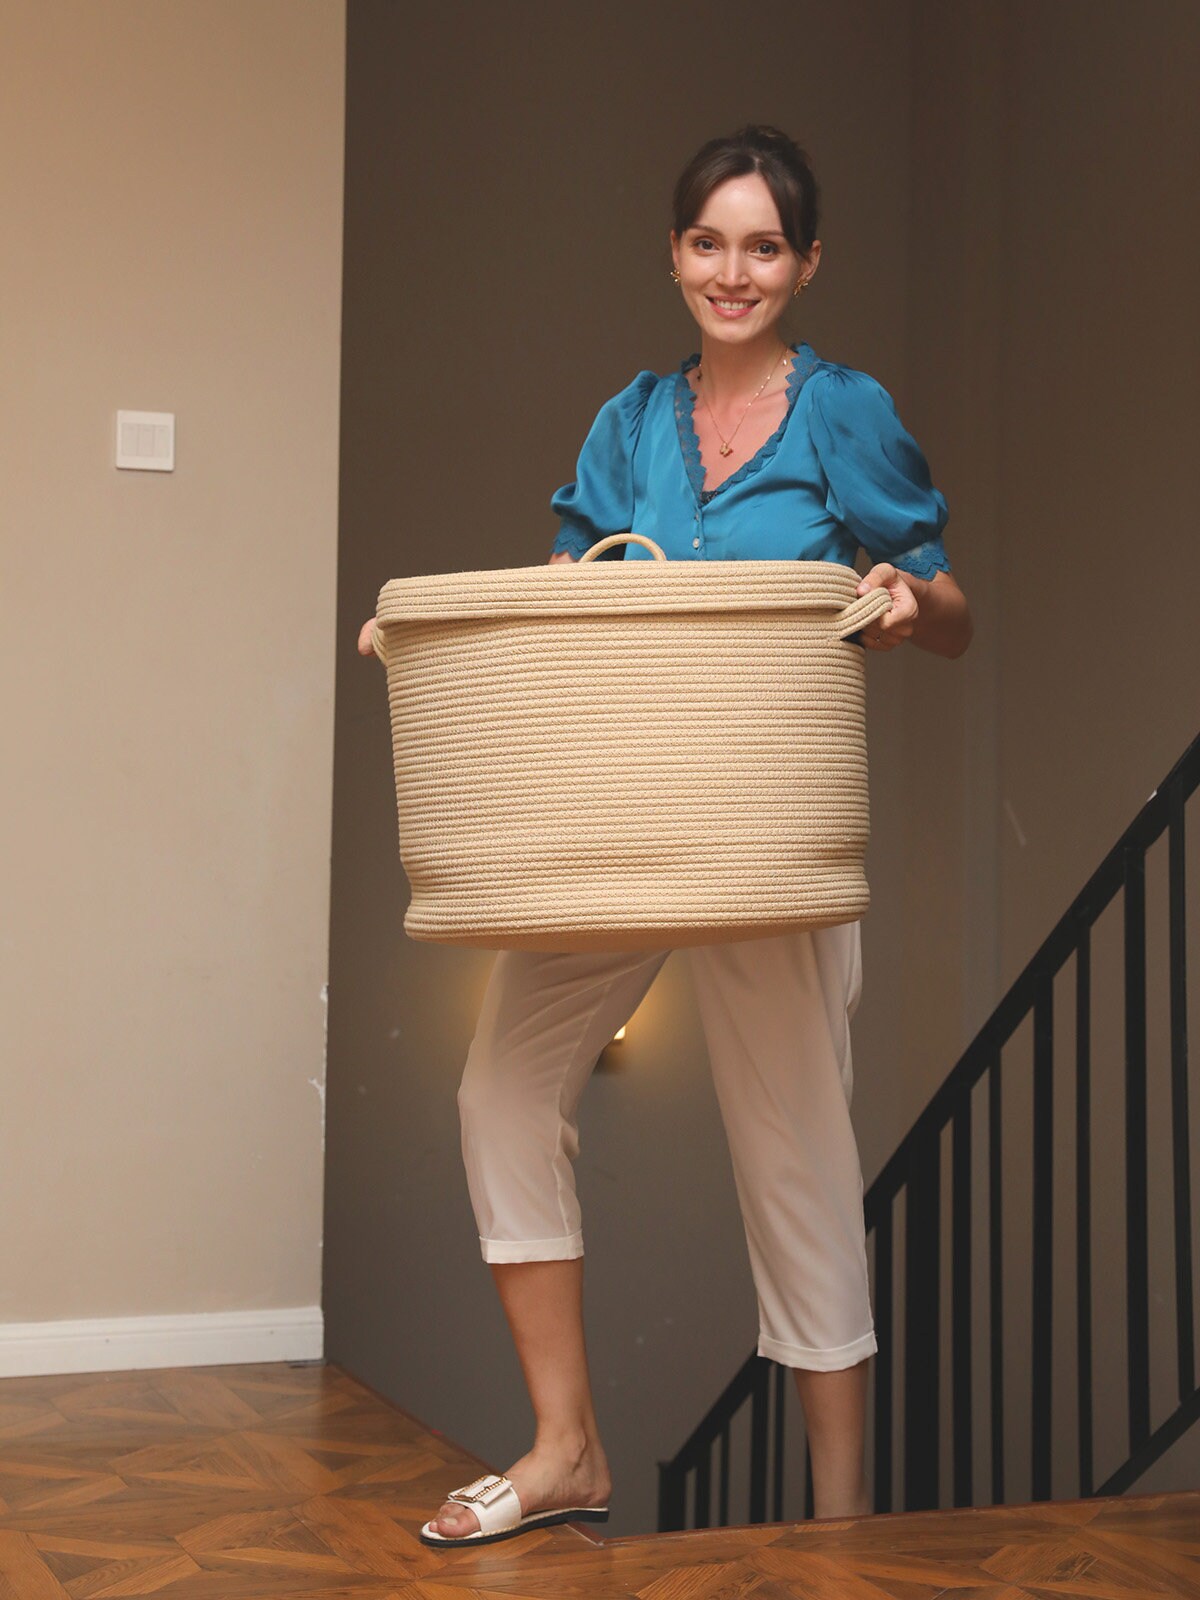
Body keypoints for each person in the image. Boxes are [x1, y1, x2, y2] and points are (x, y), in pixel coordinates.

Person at [359, 125, 972, 1547]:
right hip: (619, 819)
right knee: (499, 1088)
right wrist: (435, 641)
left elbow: (951, 607)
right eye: (709, 241)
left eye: (765, 246)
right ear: (675, 253)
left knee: (799, 1167)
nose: (734, 271)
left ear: (807, 262)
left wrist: (902, 598)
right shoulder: (628, 423)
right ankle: (567, 1445)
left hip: (769, 837)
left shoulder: (846, 414)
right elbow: (569, 594)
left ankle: (836, 1533)